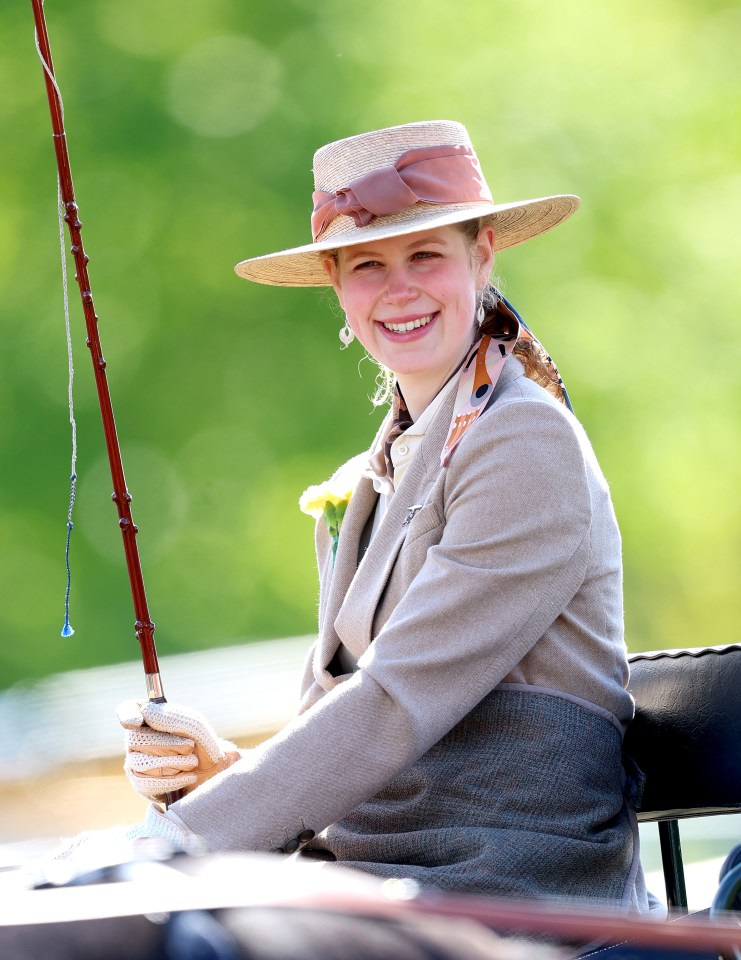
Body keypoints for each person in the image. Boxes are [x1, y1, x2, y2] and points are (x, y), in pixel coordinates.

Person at [116, 120, 653, 911]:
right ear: (336, 285)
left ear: (481, 258)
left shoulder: (524, 441)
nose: (398, 290)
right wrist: (217, 772)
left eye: (426, 256)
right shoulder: (381, 470)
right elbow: (348, 737)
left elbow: (398, 699)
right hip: (368, 890)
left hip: (506, 900)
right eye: (368, 265)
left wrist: (176, 840)